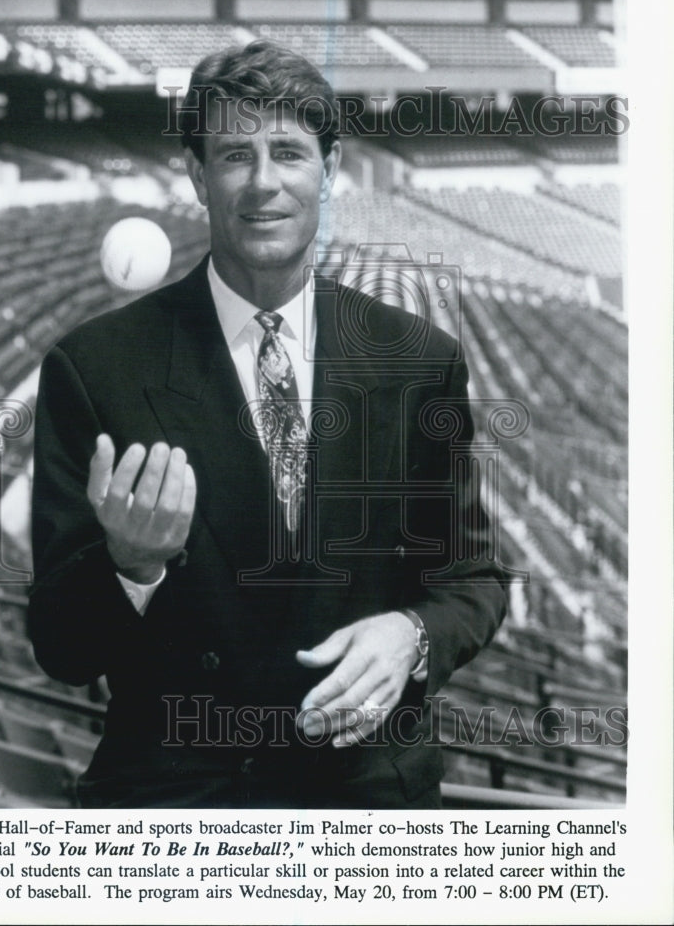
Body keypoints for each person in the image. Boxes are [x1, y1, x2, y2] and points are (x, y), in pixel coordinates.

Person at [28, 40, 508, 808]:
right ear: (196, 175)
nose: (263, 184)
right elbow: (61, 646)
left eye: (287, 152)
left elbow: (471, 580)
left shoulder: (418, 361)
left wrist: (412, 638)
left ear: (330, 166)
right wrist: (129, 563)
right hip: (181, 810)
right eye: (233, 156)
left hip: (364, 801)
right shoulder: (94, 368)